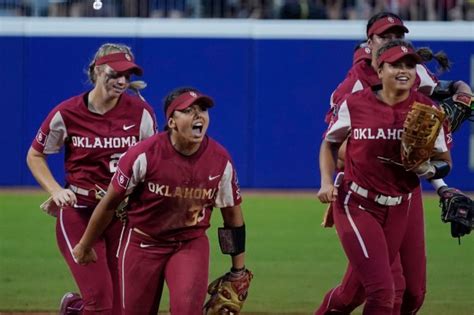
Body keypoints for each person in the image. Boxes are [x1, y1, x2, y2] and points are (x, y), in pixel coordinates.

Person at [317, 11, 473, 315]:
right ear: (370, 43)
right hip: (364, 189)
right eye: (385, 36)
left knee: (413, 294)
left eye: (397, 36)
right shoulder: (355, 89)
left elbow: (425, 148)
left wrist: (463, 90)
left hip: (404, 193)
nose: (393, 41)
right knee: (385, 291)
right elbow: (337, 149)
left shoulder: (413, 72)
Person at [72, 87, 248, 314]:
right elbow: (109, 203)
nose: (198, 115)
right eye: (188, 110)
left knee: (186, 310)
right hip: (142, 243)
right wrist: (86, 244)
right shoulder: (143, 155)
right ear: (172, 122)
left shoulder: (219, 160)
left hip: (189, 243)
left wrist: (238, 270)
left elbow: (232, 217)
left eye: (202, 109)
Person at [26, 43, 157, 315]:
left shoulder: (141, 114)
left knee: (121, 308)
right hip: (80, 213)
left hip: (121, 217)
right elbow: (35, 155)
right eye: (115, 73)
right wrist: (54, 190)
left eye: (127, 75)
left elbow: (152, 163)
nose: (122, 81)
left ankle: (74, 309)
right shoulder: (67, 113)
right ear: (97, 71)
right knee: (100, 305)